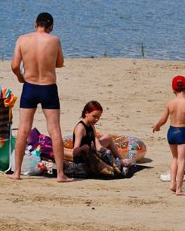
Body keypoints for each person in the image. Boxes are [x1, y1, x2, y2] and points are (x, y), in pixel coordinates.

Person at [10, 12, 73, 182]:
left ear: (34, 23)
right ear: (51, 26)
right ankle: (60, 174)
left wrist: (20, 77)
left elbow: (15, 65)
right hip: (48, 88)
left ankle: (16, 173)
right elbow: (59, 63)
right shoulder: (54, 40)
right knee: (55, 130)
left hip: (29, 87)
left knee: (23, 129)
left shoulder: (22, 40)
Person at [71, 100, 134, 177]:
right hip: (84, 160)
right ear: (86, 113)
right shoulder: (80, 128)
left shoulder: (91, 126)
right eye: (94, 116)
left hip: (92, 153)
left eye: (98, 117)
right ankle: (118, 165)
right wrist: (82, 148)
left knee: (108, 138)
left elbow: (98, 146)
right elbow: (74, 152)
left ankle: (120, 160)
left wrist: (106, 151)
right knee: (110, 170)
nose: (97, 120)